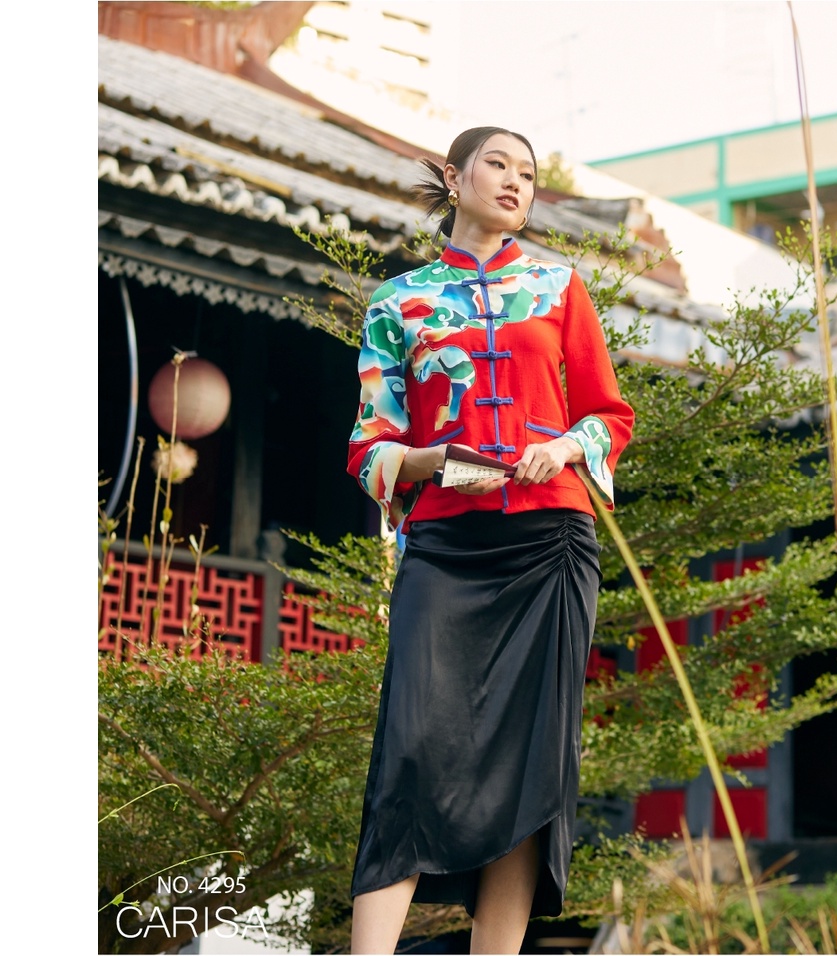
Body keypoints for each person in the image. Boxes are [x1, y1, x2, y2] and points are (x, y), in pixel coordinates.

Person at [346, 126, 634, 955]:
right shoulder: (398, 302)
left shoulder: (558, 285)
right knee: (408, 751)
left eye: (528, 173)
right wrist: (434, 461)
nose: (515, 182)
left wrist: (566, 447)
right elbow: (368, 444)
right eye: (498, 165)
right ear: (454, 176)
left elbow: (608, 414)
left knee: (531, 765)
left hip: (552, 542)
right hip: (445, 548)